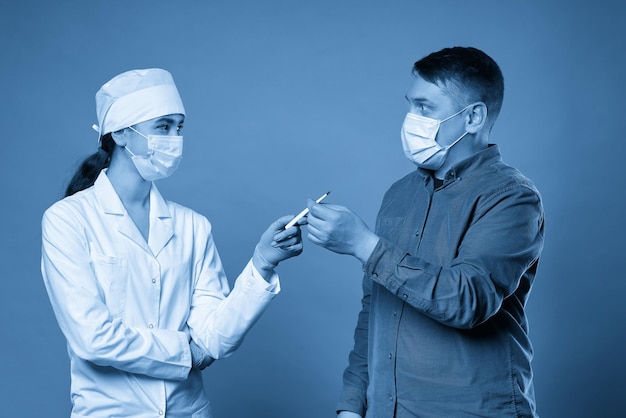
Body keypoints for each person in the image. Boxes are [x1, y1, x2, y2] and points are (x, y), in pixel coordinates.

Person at [41, 68, 303, 417]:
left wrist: (262, 263)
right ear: (120, 132)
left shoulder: (193, 225)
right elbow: (92, 337)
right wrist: (185, 353)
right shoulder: (67, 220)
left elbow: (215, 338)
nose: (174, 138)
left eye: (179, 127)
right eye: (163, 127)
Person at [305, 47, 545, 417]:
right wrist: (352, 406)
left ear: (474, 117)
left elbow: (469, 300)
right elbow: (376, 309)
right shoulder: (400, 194)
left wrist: (365, 246)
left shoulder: (512, 197)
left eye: (424, 107)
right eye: (409, 105)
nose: (410, 119)